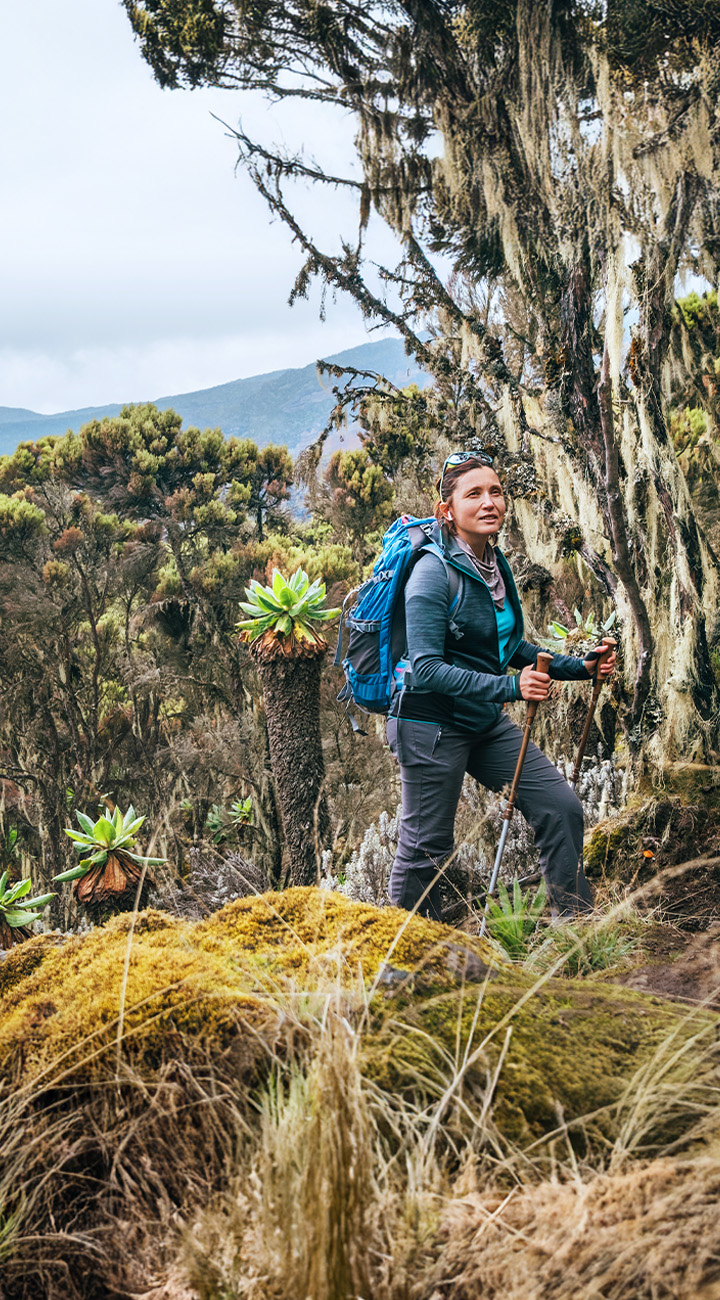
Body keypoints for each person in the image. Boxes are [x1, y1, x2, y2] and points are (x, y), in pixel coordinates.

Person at [386, 451, 616, 923]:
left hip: (481, 720)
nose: (489, 502)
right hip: (429, 724)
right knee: (427, 846)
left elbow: (510, 645)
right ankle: (402, 958)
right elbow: (426, 667)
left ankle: (573, 932)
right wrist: (512, 688)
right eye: (474, 494)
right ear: (446, 509)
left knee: (560, 807)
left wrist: (581, 668)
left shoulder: (494, 562)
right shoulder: (432, 571)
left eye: (495, 491)